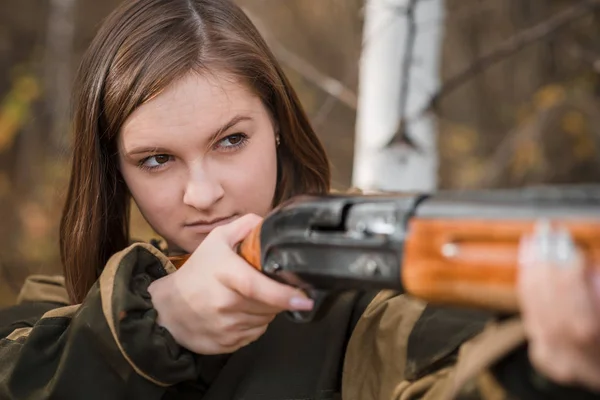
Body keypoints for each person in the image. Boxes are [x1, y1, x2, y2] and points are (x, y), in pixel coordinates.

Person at [0, 0, 598, 399]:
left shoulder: (363, 275)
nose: (204, 194)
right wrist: (160, 323)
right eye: (156, 160)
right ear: (116, 173)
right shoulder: (64, 310)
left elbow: (443, 367)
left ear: (278, 124)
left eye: (231, 140)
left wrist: (538, 370)